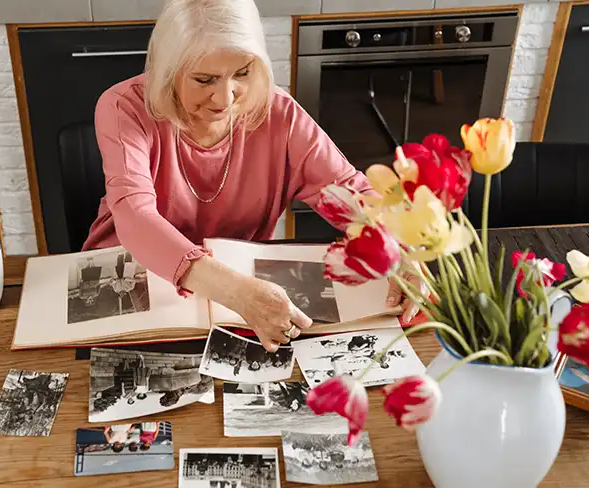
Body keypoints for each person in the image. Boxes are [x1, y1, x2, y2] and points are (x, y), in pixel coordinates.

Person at [82, 0, 424, 352]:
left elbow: (346, 191)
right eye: (205, 79)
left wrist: (399, 246)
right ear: (168, 71)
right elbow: (135, 216)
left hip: (242, 301)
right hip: (134, 281)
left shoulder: (280, 113)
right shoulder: (122, 106)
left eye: (242, 73)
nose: (225, 98)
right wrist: (236, 292)